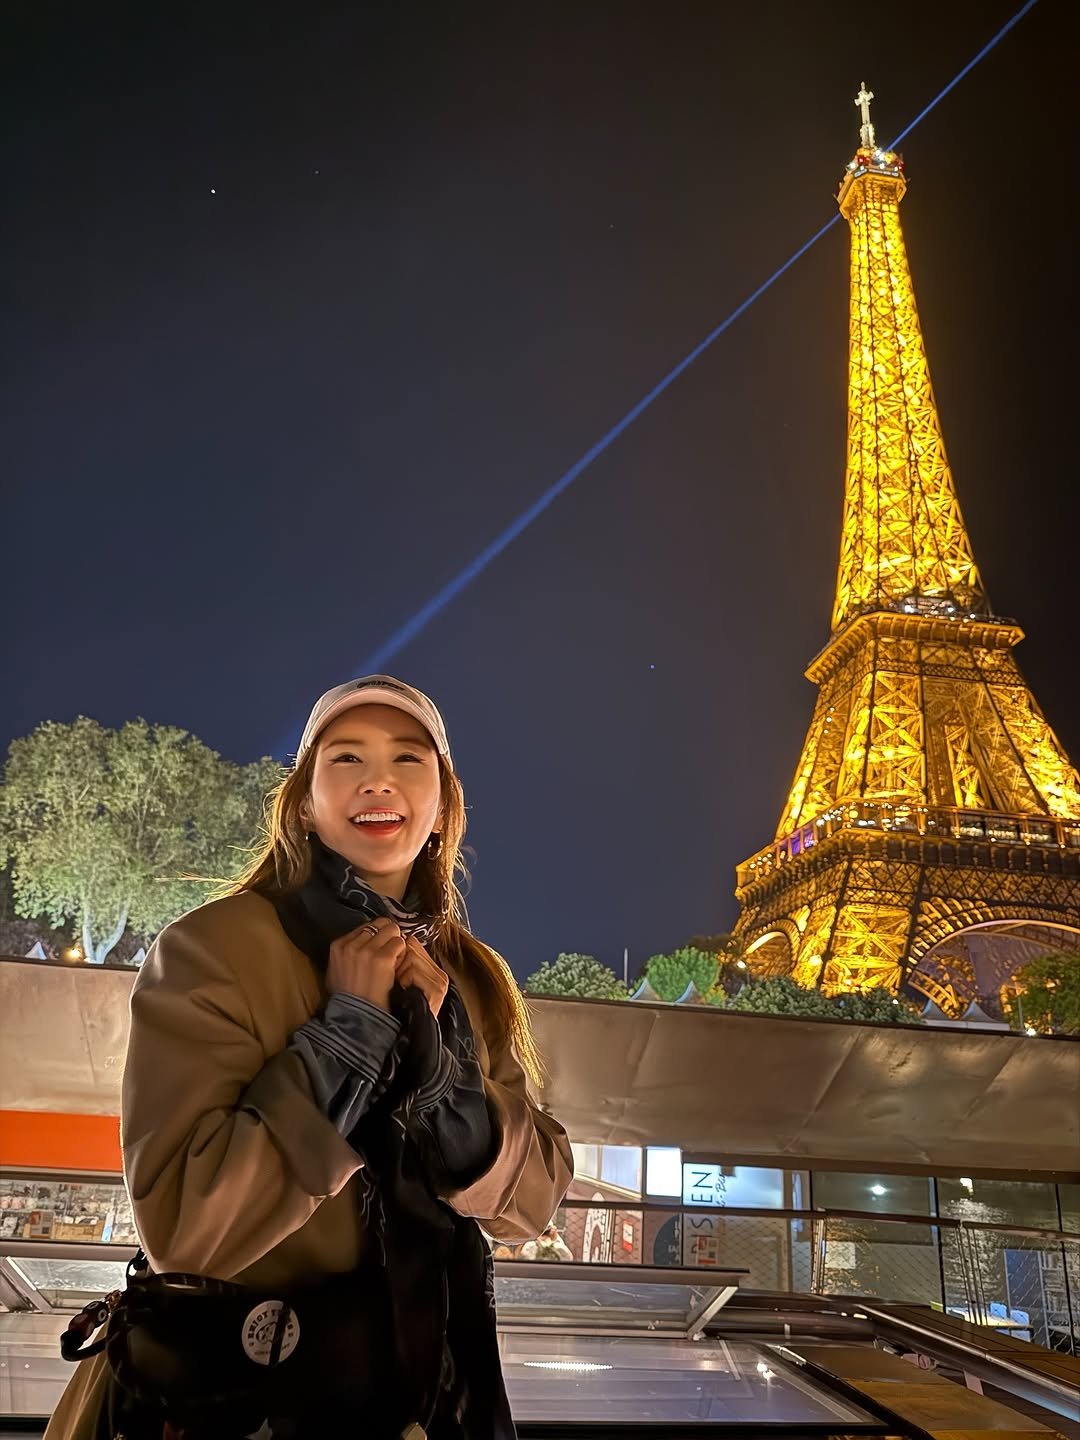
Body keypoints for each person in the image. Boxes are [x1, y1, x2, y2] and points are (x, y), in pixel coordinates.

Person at [47, 675, 573, 1440]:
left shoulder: (473, 978)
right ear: (304, 803)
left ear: (442, 808)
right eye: (346, 759)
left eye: (407, 759)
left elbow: (530, 1207)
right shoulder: (214, 946)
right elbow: (187, 1231)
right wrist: (345, 1035)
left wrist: (455, 1099)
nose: (379, 780)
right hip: (245, 1399)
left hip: (437, 1398)